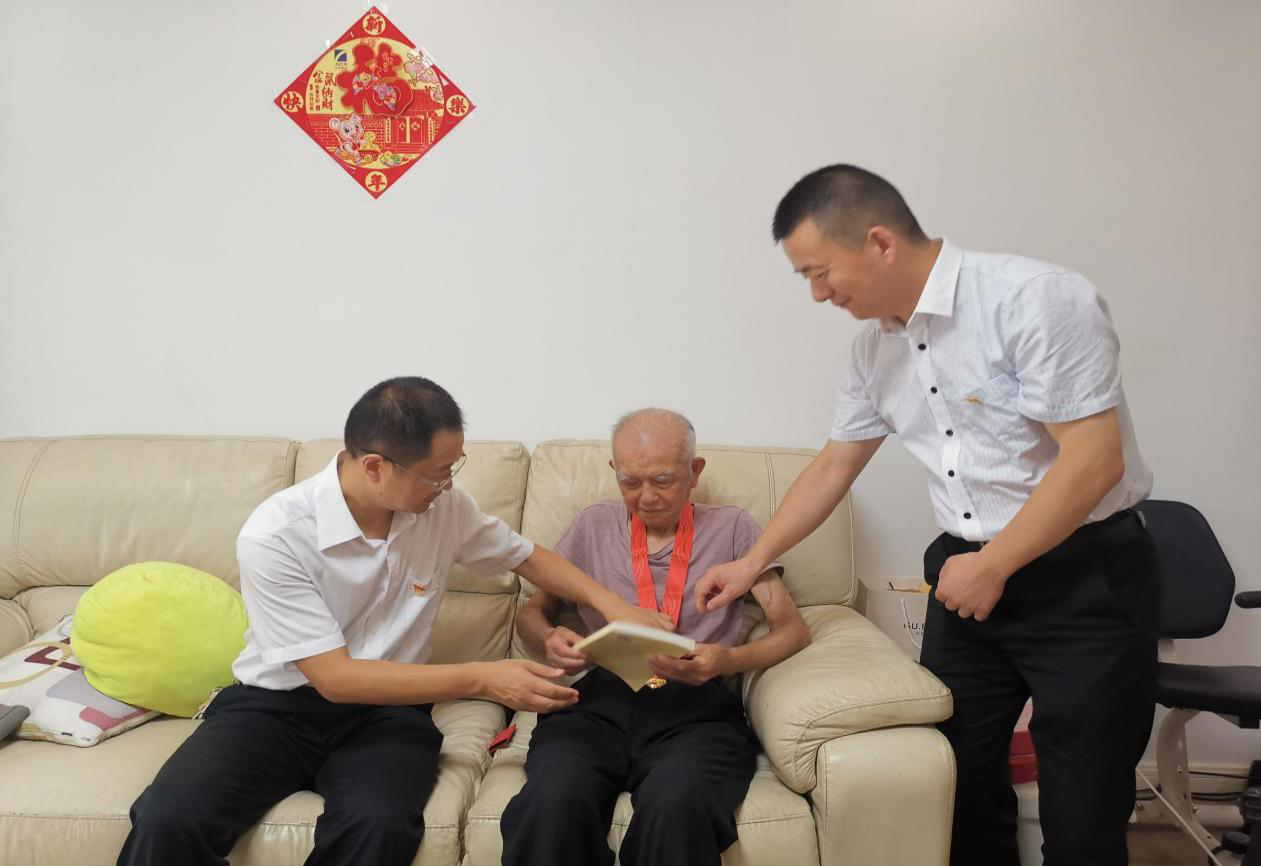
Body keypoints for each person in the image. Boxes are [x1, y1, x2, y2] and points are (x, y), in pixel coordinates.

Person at [694, 165, 1157, 866]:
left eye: (820, 272)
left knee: (1082, 808)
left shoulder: (1032, 299)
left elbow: (1093, 461)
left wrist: (996, 564)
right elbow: (834, 465)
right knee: (952, 787)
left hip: (1082, 578)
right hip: (965, 578)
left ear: (879, 242)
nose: (818, 294)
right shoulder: (873, 348)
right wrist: (750, 562)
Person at [117, 376, 670, 866]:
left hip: (387, 717)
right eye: (437, 474)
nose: (448, 485)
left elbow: (527, 557)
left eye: (454, 468)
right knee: (169, 819)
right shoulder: (277, 535)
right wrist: (485, 677)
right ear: (375, 467)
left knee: (379, 825)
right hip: (271, 708)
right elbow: (336, 679)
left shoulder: (441, 507)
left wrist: (614, 606)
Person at [499, 408, 810, 866]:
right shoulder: (592, 525)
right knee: (552, 802)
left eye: (663, 480)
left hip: (694, 707)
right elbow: (531, 613)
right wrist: (548, 637)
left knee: (676, 807)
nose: (646, 497)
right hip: (598, 702)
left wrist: (727, 661)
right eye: (630, 482)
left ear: (694, 472)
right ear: (614, 471)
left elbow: (793, 631)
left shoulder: (733, 528)